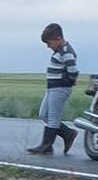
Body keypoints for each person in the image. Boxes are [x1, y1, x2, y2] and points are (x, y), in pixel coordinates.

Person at [27, 23, 79, 155]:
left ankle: (47, 145)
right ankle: (68, 133)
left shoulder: (66, 52)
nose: (48, 46)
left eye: (49, 43)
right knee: (43, 114)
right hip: (52, 88)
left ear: (58, 39)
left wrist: (68, 82)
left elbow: (73, 71)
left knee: (53, 117)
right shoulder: (59, 51)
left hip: (60, 88)